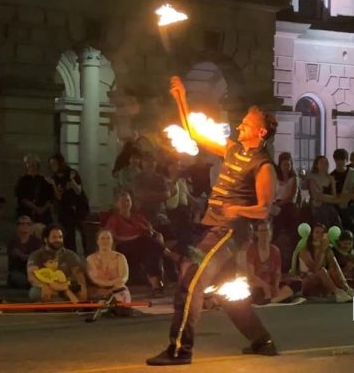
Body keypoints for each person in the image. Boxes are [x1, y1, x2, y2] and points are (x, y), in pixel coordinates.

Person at [146, 77, 279, 366]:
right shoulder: (233, 149)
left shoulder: (264, 165)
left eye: (246, 121)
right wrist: (181, 97)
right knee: (224, 289)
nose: (240, 123)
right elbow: (193, 132)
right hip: (215, 227)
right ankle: (262, 340)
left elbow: (265, 209)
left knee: (190, 279)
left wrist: (238, 211)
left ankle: (180, 349)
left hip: (231, 232)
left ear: (260, 131)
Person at [27, 224, 87, 302]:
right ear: (46, 239)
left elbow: (79, 274)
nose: (58, 240)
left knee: (80, 289)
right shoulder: (36, 255)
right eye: (54, 237)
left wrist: (83, 288)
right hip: (47, 287)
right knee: (35, 293)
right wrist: (44, 285)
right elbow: (31, 276)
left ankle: (57, 303)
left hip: (66, 286)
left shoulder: (70, 254)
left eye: (60, 237)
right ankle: (66, 303)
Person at [246, 221, 300, 304]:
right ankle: (278, 298)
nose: (265, 234)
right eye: (262, 231)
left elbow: (277, 272)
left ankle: (271, 300)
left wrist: (276, 286)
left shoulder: (275, 250)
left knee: (297, 283)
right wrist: (265, 287)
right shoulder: (252, 249)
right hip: (258, 286)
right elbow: (251, 276)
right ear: (257, 233)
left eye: (267, 230)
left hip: (271, 284)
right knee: (256, 292)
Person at [86, 229, 131, 303]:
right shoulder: (91, 258)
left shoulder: (120, 257)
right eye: (102, 238)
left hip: (118, 289)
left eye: (108, 238)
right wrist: (108, 284)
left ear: (112, 240)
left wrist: (113, 285)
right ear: (97, 241)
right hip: (98, 289)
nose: (105, 241)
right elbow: (92, 278)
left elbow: (124, 277)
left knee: (120, 294)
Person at [7, 215, 43, 289]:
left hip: (34, 270)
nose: (25, 226)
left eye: (28, 224)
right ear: (18, 226)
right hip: (19, 271)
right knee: (19, 279)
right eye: (22, 223)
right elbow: (19, 256)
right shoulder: (13, 242)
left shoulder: (37, 241)